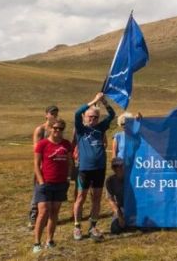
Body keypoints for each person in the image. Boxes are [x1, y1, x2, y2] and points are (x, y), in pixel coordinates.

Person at [73, 92, 116, 241]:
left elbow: (112, 114)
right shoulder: (81, 129)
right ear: (85, 118)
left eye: (95, 117)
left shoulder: (100, 128)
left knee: (96, 197)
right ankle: (77, 226)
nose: (92, 119)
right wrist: (94, 101)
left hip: (99, 168)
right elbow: (77, 112)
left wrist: (104, 101)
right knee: (81, 197)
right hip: (85, 169)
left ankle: (93, 225)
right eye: (89, 116)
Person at [32, 118, 72, 253]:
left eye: (60, 129)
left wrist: (68, 178)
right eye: (55, 128)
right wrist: (41, 182)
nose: (57, 131)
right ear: (50, 129)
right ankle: (37, 243)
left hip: (60, 183)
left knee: (54, 212)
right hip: (45, 183)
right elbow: (36, 165)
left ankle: (50, 240)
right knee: (43, 212)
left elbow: (69, 163)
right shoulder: (42, 144)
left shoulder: (66, 144)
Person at [28, 105, 60, 229]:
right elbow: (36, 148)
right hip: (41, 166)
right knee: (38, 191)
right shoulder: (40, 130)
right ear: (46, 115)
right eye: (52, 113)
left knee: (50, 192)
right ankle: (33, 217)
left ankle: (47, 216)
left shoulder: (56, 130)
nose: (54, 116)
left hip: (53, 166)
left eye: (56, 114)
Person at [104, 157, 132, 235]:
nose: (118, 168)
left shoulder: (132, 178)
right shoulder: (109, 180)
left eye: (120, 165)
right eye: (115, 166)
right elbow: (110, 199)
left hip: (134, 207)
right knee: (115, 228)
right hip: (121, 208)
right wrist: (119, 214)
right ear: (113, 168)